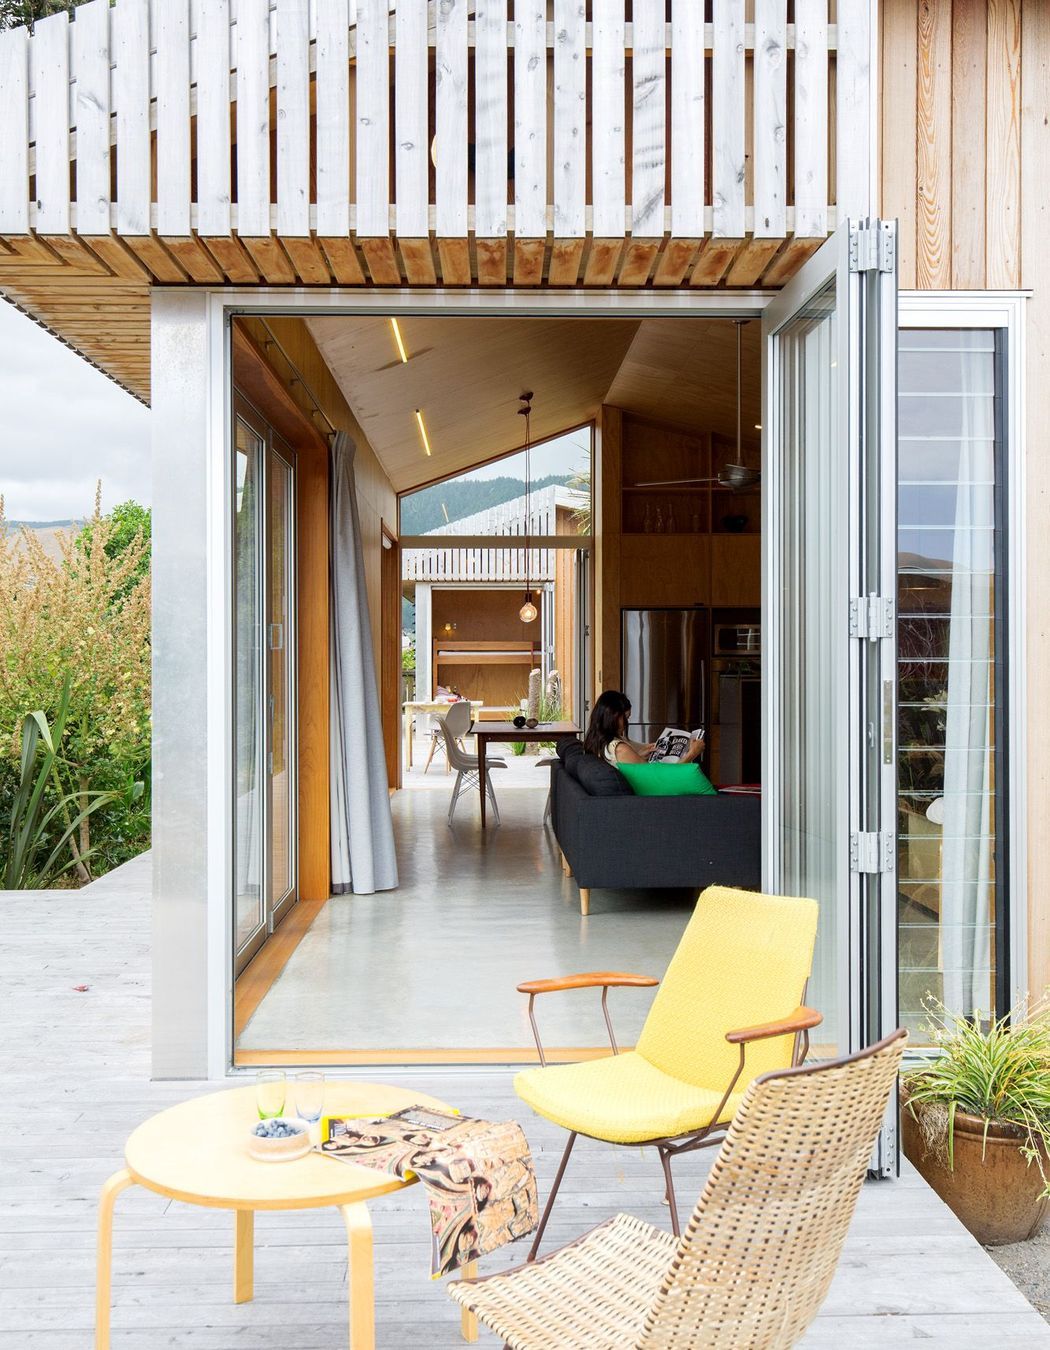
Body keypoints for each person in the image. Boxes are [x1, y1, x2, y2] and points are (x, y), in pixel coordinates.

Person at [582, 690, 703, 766]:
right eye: (626, 718)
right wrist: (691, 754)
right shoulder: (619, 749)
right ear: (613, 716)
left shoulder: (599, 741)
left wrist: (638, 755)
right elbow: (660, 780)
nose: (626, 723)